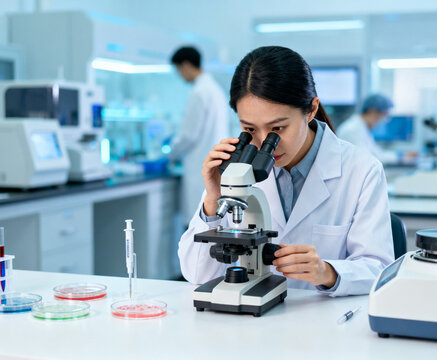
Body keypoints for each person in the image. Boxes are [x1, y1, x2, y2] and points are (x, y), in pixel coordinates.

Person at [178, 46, 394, 296]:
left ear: (311, 109)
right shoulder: (237, 169)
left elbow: (379, 270)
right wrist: (213, 198)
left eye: (277, 129)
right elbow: (196, 273)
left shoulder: (362, 170)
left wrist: (327, 271)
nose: (262, 143)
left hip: (324, 324)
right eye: (249, 129)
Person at [168, 46, 229, 222]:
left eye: (179, 70)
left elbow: (188, 136)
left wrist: (169, 154)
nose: (180, 75)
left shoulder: (199, 92)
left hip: (200, 167)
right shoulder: (215, 90)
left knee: (199, 225)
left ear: (186, 65)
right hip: (215, 164)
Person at [337, 94, 400, 164]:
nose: (383, 120)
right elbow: (368, 158)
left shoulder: (363, 128)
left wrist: (399, 155)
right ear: (372, 112)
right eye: (384, 115)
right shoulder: (351, 130)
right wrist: (398, 157)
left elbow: (376, 152)